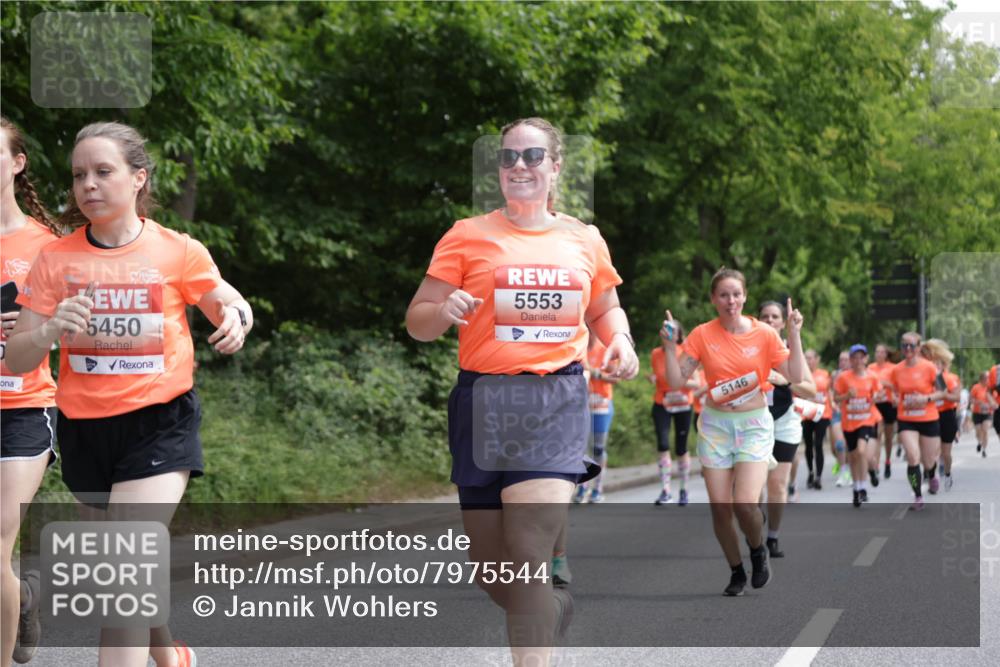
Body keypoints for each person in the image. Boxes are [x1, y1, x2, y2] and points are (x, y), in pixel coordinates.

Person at [6, 121, 253, 667]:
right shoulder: (56, 260)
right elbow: (18, 357)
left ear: (138, 178)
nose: (88, 185)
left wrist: (236, 318)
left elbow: (225, 299)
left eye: (103, 171)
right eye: (78, 175)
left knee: (122, 567)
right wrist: (47, 333)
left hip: (159, 424)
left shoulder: (176, 250)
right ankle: (168, 656)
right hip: (86, 430)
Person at [405, 117, 638, 665]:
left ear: (555, 167)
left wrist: (621, 342)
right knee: (492, 570)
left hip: (554, 399)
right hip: (482, 402)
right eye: (508, 157)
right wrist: (443, 310)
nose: (519, 167)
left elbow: (605, 308)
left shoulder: (584, 239)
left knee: (529, 553)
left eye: (533, 156)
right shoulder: (466, 235)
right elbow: (417, 321)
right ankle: (551, 610)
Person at [662, 269, 805, 597]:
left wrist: (794, 334)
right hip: (716, 426)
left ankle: (757, 550)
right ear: (713, 299)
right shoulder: (701, 335)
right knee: (721, 508)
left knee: (744, 503)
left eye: (736, 295)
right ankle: (736, 570)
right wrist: (670, 347)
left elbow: (795, 374)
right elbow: (675, 382)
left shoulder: (764, 335)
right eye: (723, 295)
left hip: (753, 424)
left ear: (745, 297)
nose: (731, 301)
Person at [0, 116, 62, 666]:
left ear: (17, 164)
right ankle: (24, 597)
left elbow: (82, 326)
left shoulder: (48, 247)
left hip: (24, 407)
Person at [757, 301, 815, 557]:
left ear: (782, 322)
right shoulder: (748, 348)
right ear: (757, 320)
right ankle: (755, 532)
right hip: (754, 422)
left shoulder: (791, 350)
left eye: (775, 317)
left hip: (784, 423)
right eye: (765, 316)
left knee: (777, 485)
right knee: (754, 486)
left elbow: (811, 390)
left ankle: (773, 537)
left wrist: (785, 380)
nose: (770, 320)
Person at [883, 332, 944, 511]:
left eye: (911, 346)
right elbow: (893, 389)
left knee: (929, 460)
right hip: (906, 419)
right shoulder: (896, 370)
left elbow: (942, 391)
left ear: (918, 348)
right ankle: (918, 495)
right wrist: (894, 397)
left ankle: (932, 474)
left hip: (928, 418)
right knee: (912, 456)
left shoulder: (930, 368)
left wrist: (925, 399)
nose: (907, 349)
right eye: (904, 346)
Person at [649, 321, 699, 506]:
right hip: (662, 403)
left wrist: (677, 380)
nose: (667, 334)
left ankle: (684, 489)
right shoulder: (655, 354)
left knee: (681, 447)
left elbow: (696, 383)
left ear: (678, 336)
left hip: (684, 404)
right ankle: (665, 489)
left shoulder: (685, 353)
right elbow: (659, 376)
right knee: (662, 444)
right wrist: (657, 379)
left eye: (671, 332)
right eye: (664, 331)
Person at [832, 345, 882, 507]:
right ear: (851, 360)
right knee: (853, 457)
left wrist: (875, 397)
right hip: (849, 422)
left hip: (866, 420)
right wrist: (847, 395)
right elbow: (836, 399)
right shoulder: (843, 378)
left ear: (866, 359)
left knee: (861, 452)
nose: (858, 360)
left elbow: (879, 394)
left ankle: (863, 487)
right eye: (854, 357)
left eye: (861, 357)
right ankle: (857, 488)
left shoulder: (872, 377)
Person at [576, 335, 621, 503]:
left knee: (598, 448)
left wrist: (597, 374)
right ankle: (583, 488)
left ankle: (597, 488)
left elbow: (616, 377)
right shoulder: (578, 346)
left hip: (601, 405)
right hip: (580, 405)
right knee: (581, 449)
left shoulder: (604, 349)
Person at [921, 339, 960, 489]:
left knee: (946, 453)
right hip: (931, 416)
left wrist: (943, 396)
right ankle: (931, 474)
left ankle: (948, 473)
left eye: (938, 364)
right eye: (933, 363)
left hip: (947, 415)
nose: (935, 366)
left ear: (943, 365)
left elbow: (956, 397)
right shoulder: (925, 378)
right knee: (932, 450)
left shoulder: (950, 378)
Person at [802, 349, 832, 490]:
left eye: (810, 358)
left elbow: (829, 392)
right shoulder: (800, 375)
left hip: (822, 414)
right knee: (808, 445)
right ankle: (811, 472)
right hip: (806, 413)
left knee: (818, 444)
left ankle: (818, 477)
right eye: (806, 358)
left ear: (817, 359)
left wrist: (833, 406)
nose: (808, 361)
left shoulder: (825, 375)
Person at [869, 344, 898, 480]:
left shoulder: (892, 368)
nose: (879, 354)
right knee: (877, 435)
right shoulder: (870, 368)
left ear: (886, 354)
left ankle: (887, 461)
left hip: (889, 403)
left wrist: (887, 385)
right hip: (876, 404)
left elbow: (897, 386)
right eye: (877, 351)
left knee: (888, 436)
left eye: (882, 352)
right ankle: (876, 465)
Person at [829, 350, 851, 487]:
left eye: (845, 359)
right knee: (838, 444)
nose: (842, 362)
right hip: (837, 412)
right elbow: (830, 391)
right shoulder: (835, 375)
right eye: (841, 359)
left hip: (852, 413)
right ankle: (843, 469)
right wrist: (832, 403)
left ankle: (847, 470)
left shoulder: (855, 375)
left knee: (850, 444)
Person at [970, 371, 996, 457]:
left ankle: (984, 450)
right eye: (985, 378)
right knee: (978, 431)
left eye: (988, 378)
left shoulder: (991, 388)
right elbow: (971, 400)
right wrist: (978, 402)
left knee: (985, 430)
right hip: (977, 412)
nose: (987, 380)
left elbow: (995, 399)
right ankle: (979, 442)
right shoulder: (975, 387)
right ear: (981, 379)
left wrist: (991, 404)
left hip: (988, 413)